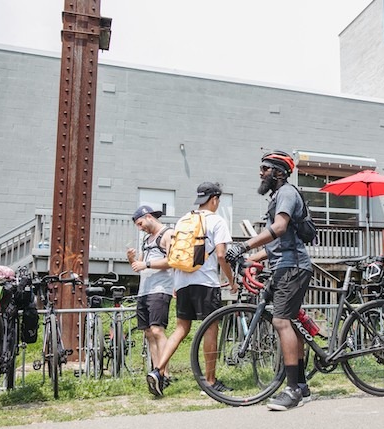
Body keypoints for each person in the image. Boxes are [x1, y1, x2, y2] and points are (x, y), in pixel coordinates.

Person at [226, 150, 313, 411]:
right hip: (282, 266)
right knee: (290, 323)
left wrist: (244, 246)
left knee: (280, 321)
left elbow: (279, 229)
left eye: (265, 168)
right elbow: (276, 244)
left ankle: (292, 390)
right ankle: (302, 385)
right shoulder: (277, 196)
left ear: (279, 172)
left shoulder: (287, 193)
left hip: (293, 267)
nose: (260, 172)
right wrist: (253, 258)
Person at [146, 182, 237, 397]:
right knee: (210, 327)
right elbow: (222, 255)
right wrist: (231, 280)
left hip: (183, 281)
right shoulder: (216, 220)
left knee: (181, 328)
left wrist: (177, 284)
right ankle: (211, 382)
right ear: (214, 199)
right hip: (205, 282)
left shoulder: (184, 220)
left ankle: (158, 371)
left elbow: (176, 254)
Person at [127, 205, 174, 383]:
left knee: (157, 330)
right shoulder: (146, 240)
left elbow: (172, 260)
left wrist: (145, 265)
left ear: (148, 217)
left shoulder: (168, 234)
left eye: (141, 223)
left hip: (160, 289)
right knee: (148, 332)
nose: (140, 228)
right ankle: (156, 372)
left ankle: (165, 373)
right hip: (144, 290)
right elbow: (139, 265)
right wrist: (132, 259)